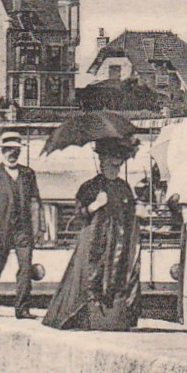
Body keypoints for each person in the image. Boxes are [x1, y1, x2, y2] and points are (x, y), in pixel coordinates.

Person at [43, 138, 143, 331]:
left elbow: (129, 210)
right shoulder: (90, 186)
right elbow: (79, 212)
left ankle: (115, 318)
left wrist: (137, 210)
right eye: (111, 163)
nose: (115, 168)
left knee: (118, 275)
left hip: (118, 241)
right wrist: (95, 205)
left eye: (118, 164)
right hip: (94, 238)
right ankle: (90, 317)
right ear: (101, 162)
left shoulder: (124, 187)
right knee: (90, 274)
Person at [0, 131, 42, 319]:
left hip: (23, 230)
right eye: (8, 150)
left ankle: (22, 308)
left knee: (25, 267)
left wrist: (40, 228)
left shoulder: (28, 174)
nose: (11, 154)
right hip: (0, 230)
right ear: (2, 151)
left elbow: (35, 202)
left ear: (20, 152)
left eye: (15, 150)